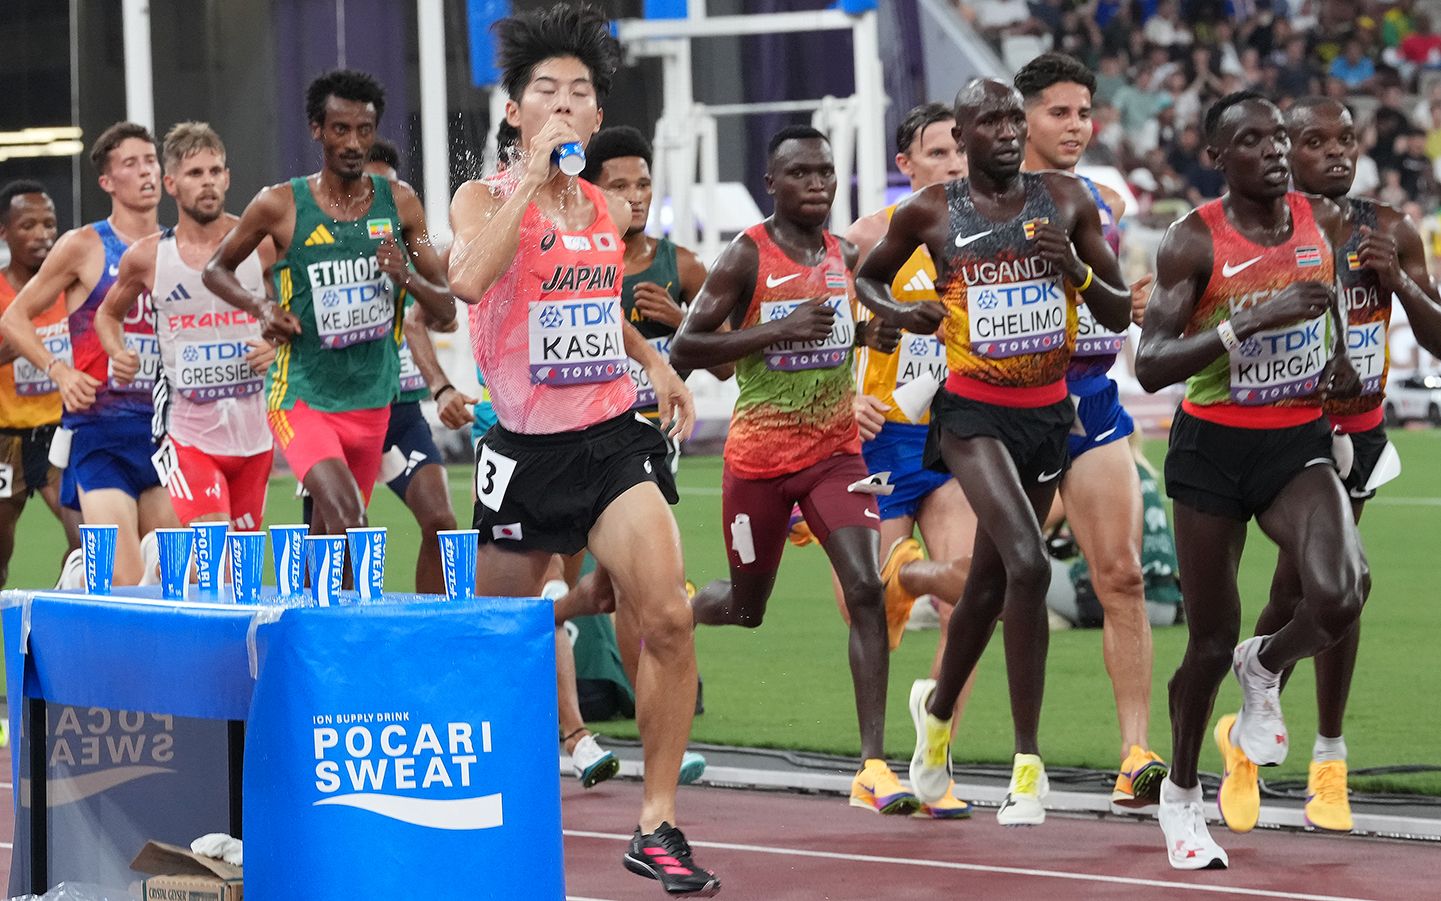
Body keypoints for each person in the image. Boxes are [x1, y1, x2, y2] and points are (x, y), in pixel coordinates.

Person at [446, 5, 717, 894]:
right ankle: (477, 806)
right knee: (493, 642)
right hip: (523, 453)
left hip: (608, 440)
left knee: (668, 616)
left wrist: (656, 365)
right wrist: (530, 178)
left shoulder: (602, 206)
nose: (563, 105)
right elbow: (466, 281)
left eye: (579, 94)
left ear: (597, 115)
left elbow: (596, 308)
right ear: (515, 110)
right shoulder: (482, 197)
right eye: (545, 92)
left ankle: (657, 821)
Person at [856, 78, 1131, 827]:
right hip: (971, 416)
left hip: (1047, 415)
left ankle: (937, 713)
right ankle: (1026, 767)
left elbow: (1117, 309)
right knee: (1029, 564)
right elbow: (868, 278)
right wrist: (901, 310)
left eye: (1014, 118)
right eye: (991, 121)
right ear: (965, 134)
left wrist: (1075, 269)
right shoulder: (931, 211)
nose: (1008, 131)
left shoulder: (1066, 200)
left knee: (986, 582)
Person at [1135, 91, 1369, 870]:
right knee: (1207, 641)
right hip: (1211, 447)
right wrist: (1250, 320)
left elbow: (1324, 301)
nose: (1271, 150)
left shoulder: (1318, 220)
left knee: (1339, 593)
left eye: (1276, 137)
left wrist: (1336, 359)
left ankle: (1263, 662)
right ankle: (1180, 797)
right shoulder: (1191, 240)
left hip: (1294, 440)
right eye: (1250, 140)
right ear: (1216, 156)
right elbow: (1151, 362)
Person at [673, 124, 935, 819]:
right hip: (758, 464)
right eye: (800, 174)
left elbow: (844, 329)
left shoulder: (845, 254)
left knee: (864, 587)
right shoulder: (744, 256)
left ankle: (871, 765)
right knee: (746, 609)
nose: (817, 184)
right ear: (772, 183)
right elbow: (685, 347)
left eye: (825, 172)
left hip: (835, 455)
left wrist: (876, 329)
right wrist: (776, 330)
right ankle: (684, 608)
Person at [1216, 97, 1441, 836]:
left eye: (1346, 138)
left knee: (1323, 595)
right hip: (1294, 435)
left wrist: (1401, 283)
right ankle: (1263, 747)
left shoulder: (1390, 229)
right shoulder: (1267, 231)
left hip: (1362, 433)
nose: (1337, 152)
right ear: (1286, 150)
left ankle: (1319, 755)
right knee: (1309, 587)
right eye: (1315, 141)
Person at [204, 69, 454, 542]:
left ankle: (306, 593)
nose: (354, 143)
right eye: (341, 129)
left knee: (332, 543)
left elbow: (446, 310)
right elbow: (215, 269)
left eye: (364, 130)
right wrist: (261, 308)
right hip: (302, 397)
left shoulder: (401, 204)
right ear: (317, 130)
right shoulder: (279, 204)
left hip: (373, 401)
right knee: (351, 522)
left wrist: (406, 278)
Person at [1013, 52, 1167, 810]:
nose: (1075, 126)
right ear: (1023, 119)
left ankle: (1136, 753)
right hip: (1012, 406)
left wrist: (1128, 303)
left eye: (1083, 113)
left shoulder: (1105, 198)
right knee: (997, 583)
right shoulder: (985, 200)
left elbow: (1110, 294)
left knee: (1123, 576)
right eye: (1058, 113)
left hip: (1092, 397)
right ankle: (952, 731)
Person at [843, 101, 975, 819]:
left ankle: (934, 756)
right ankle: (872, 765)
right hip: (880, 441)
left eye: (961, 150)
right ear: (906, 163)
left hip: (950, 435)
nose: (954, 164)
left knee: (970, 598)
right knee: (866, 605)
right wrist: (845, 397)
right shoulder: (869, 238)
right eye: (938, 152)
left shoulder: (989, 236)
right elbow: (824, 335)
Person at [0, 122, 178, 586]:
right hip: (100, 433)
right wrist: (59, 371)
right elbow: (14, 319)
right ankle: (83, 575)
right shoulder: (84, 246)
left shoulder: (178, 247)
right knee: (128, 584)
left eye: (151, 161)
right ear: (107, 181)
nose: (146, 172)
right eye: (131, 164)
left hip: (166, 433)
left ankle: (79, 576)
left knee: (176, 584)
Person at [97, 122, 275, 530]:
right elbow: (108, 314)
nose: (207, 182)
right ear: (171, 184)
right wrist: (118, 350)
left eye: (215, 171)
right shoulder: (148, 257)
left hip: (253, 435)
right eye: (195, 173)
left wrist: (276, 343)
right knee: (214, 549)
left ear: (227, 177)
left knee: (241, 559)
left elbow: (294, 310)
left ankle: (158, 563)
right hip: (187, 434)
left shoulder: (261, 245)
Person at [362, 137, 465, 593]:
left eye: (388, 189)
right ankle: (331, 624)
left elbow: (446, 316)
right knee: (338, 535)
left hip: (401, 413)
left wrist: (405, 276)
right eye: (368, 188)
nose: (379, 200)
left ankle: (429, 624)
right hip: (343, 410)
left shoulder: (408, 247)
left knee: (442, 522)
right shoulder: (324, 244)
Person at [0, 180, 79, 583]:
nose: (42, 235)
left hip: (58, 434)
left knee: (87, 543)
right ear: (5, 232)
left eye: (49, 224)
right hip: (4, 441)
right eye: (28, 225)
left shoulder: (72, 289)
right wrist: (15, 346)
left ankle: (55, 605)